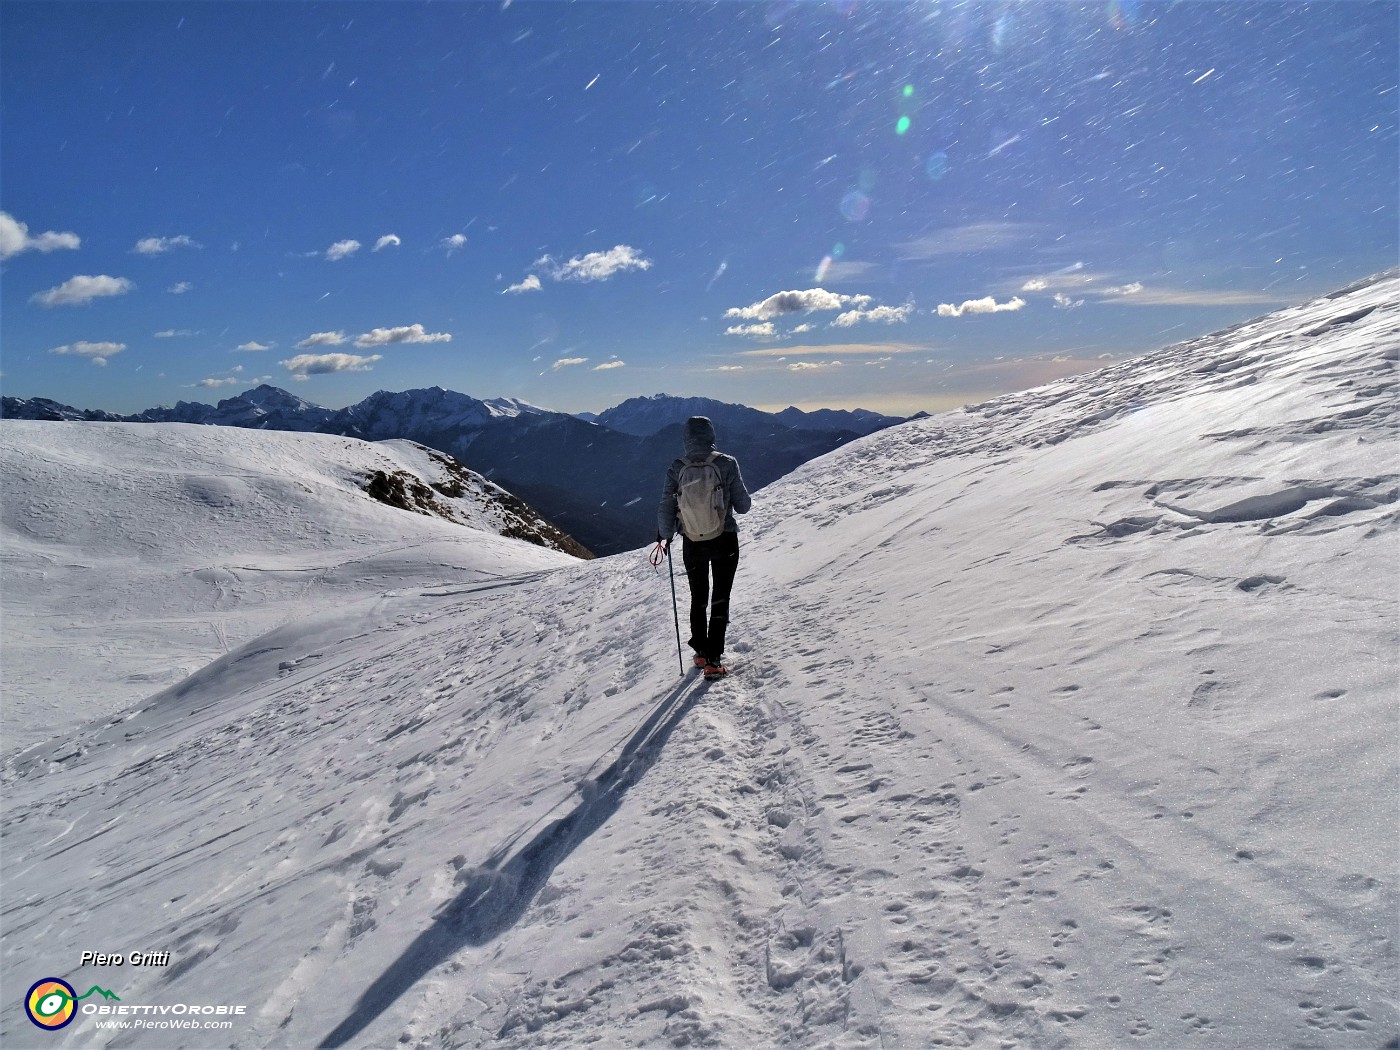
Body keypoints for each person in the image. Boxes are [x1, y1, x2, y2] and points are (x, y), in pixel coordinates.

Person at [658, 416, 751, 679]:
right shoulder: (727, 463)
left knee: (698, 597)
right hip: (724, 538)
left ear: (686, 439)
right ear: (711, 434)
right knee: (720, 596)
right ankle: (713, 660)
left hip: (692, 541)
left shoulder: (677, 467)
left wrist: (665, 535)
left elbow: (666, 505)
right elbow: (743, 506)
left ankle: (699, 652)